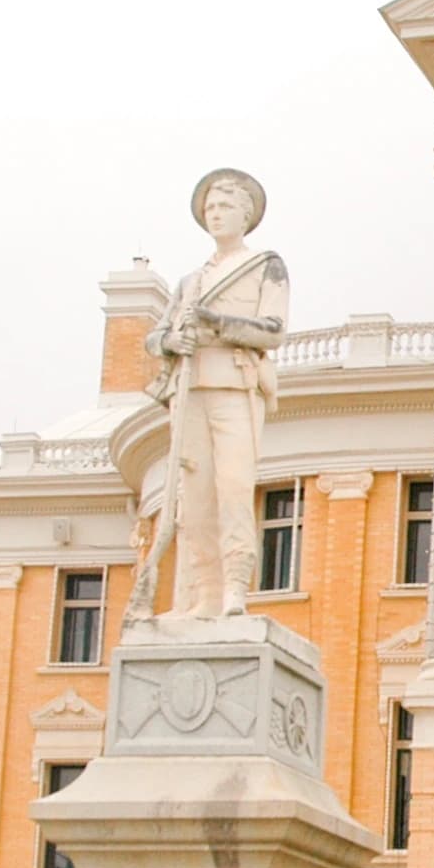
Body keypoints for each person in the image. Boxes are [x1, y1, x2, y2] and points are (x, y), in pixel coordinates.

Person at [148, 169, 288, 617]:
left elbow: (272, 332)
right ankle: (203, 594)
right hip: (190, 390)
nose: (216, 215)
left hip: (235, 383)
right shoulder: (190, 280)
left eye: (225, 207)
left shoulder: (265, 264)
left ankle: (234, 589)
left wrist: (215, 323)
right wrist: (172, 342)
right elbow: (156, 337)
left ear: (246, 214)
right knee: (195, 498)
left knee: (233, 488)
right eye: (210, 208)